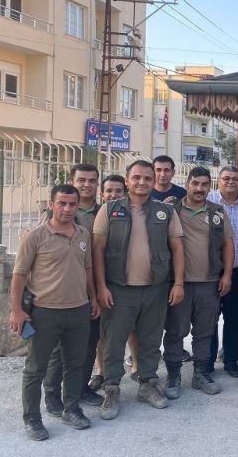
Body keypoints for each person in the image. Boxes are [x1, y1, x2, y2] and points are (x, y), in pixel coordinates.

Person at [93, 160, 185, 420]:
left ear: (153, 181)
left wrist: (178, 283)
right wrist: (101, 287)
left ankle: (148, 384)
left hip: (155, 289)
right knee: (113, 342)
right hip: (118, 290)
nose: (142, 182)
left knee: (151, 340)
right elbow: (97, 250)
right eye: (137, 177)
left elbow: (178, 248)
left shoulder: (165, 212)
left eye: (147, 178)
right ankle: (112, 389)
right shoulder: (110, 210)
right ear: (127, 180)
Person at [9, 184, 99, 440]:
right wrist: (16, 309)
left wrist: (93, 298)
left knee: (75, 364)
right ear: (51, 204)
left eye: (72, 204)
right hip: (45, 312)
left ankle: (72, 409)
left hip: (78, 310)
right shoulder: (35, 237)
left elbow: (87, 269)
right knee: (35, 368)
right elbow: (19, 275)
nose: (67, 209)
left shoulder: (82, 234)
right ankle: (32, 419)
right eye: (62, 203)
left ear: (78, 206)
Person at [162, 167, 234, 399]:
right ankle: (173, 375)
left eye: (204, 184)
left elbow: (228, 244)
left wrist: (227, 275)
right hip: (179, 283)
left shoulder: (217, 212)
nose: (199, 188)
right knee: (176, 331)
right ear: (187, 185)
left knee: (205, 331)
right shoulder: (172, 210)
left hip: (209, 283)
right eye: (195, 183)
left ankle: (201, 374)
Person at [41, 164, 104, 415]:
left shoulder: (104, 211)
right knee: (59, 348)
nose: (87, 184)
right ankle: (52, 392)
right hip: (62, 290)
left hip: (93, 287)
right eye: (82, 180)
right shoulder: (56, 212)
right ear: (72, 181)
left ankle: (80, 388)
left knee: (88, 343)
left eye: (92, 180)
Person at [207, 166, 238, 377]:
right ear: (218, 180)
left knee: (234, 318)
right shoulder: (208, 200)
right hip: (210, 272)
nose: (231, 182)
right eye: (226, 178)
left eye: (235, 178)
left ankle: (231, 360)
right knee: (209, 319)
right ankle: (207, 361)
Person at [88, 174, 127, 392]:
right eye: (109, 191)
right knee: (100, 330)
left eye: (118, 191)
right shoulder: (86, 211)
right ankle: (100, 372)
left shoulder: (127, 213)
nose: (113, 195)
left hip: (116, 278)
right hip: (89, 278)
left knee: (130, 329)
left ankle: (134, 367)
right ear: (102, 193)